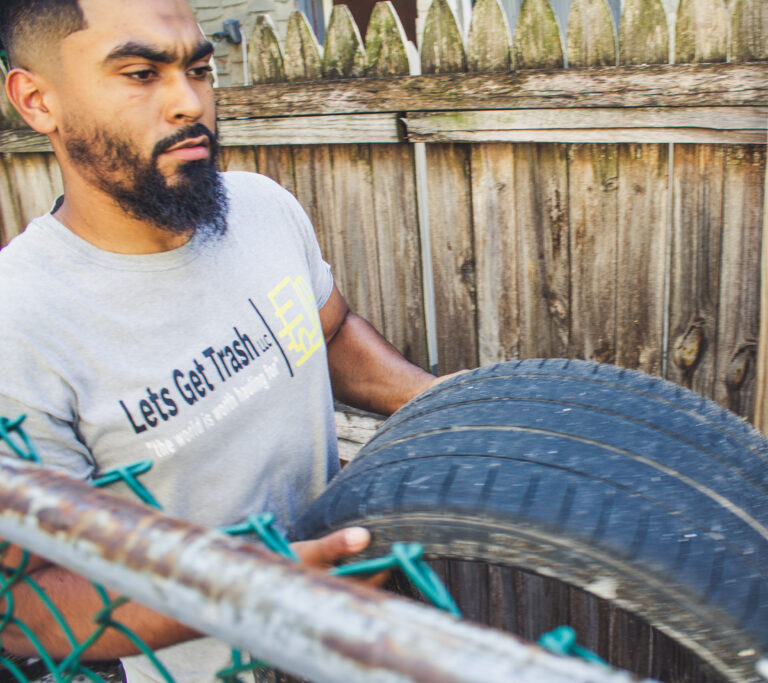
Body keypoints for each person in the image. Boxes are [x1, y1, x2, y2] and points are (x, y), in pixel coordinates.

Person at [0, 0, 448, 678]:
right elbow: (26, 604)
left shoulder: (262, 208)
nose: (190, 103)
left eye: (199, 68)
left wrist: (440, 401)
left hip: (362, 636)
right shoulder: (20, 321)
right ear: (37, 100)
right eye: (141, 73)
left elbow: (326, 333)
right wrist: (242, 595)